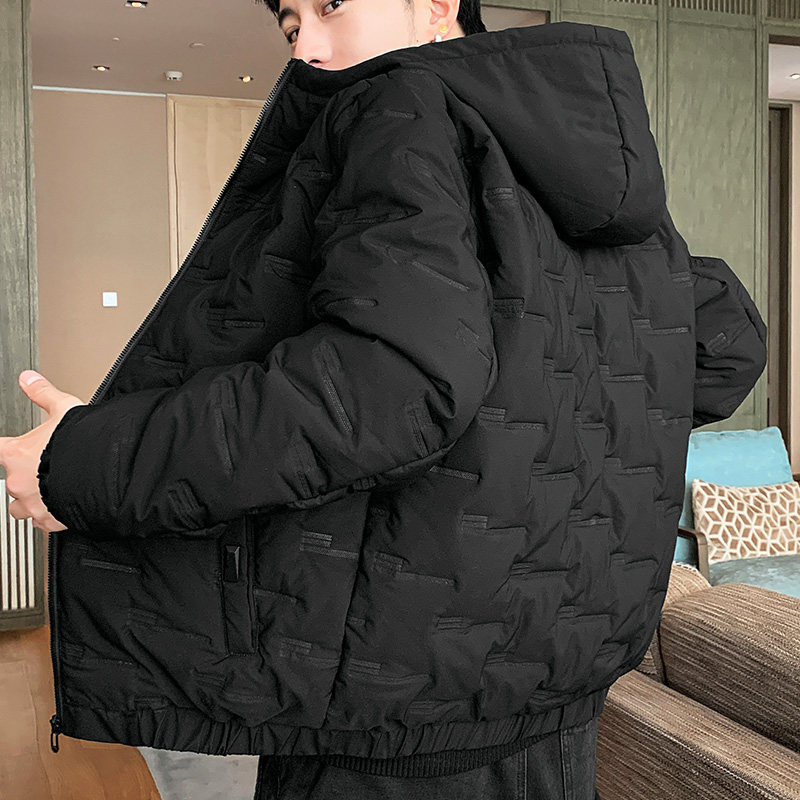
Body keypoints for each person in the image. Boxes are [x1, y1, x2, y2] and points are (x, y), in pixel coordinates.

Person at [0, 1, 766, 800]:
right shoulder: (578, 168)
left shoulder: (400, 102)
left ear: (435, 4)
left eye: (332, 5)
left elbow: (390, 387)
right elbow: (724, 347)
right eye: (291, 25)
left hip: (389, 705)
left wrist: (82, 464)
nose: (308, 47)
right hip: (553, 702)